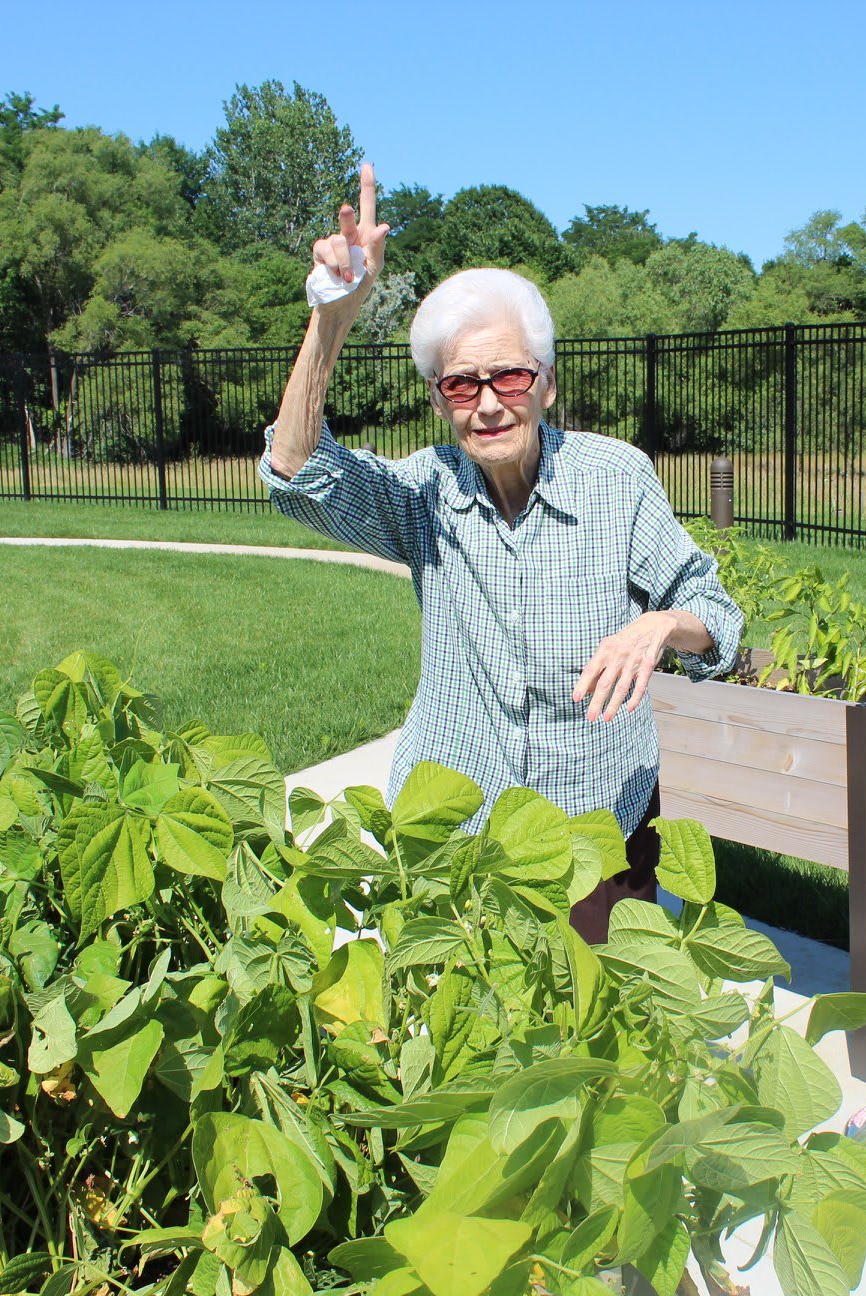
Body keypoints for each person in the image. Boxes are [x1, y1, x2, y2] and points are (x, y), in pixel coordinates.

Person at [260, 166, 742, 941]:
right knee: (459, 1047)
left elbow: (718, 618)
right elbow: (296, 475)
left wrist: (659, 628)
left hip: (597, 828)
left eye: (509, 376)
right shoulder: (425, 494)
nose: (487, 402)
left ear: (546, 385)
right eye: (460, 384)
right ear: (438, 399)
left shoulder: (615, 478)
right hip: (457, 829)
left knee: (601, 1043)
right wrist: (331, 321)